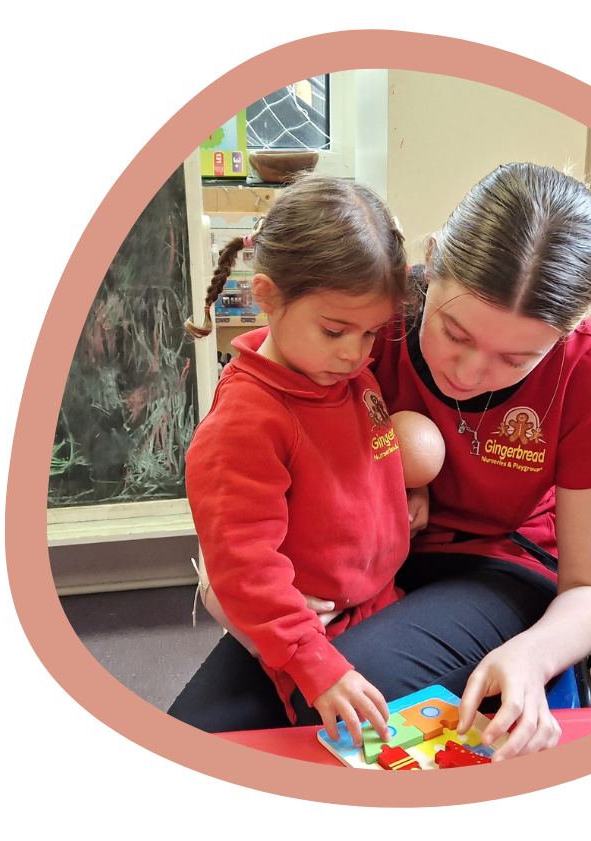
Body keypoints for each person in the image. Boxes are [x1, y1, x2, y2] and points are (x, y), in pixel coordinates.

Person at [169, 162, 591, 763]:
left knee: (358, 701)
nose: (470, 373)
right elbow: (254, 451)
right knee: (203, 734)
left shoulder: (589, 369)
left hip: (495, 570)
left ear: (566, 333)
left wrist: (533, 655)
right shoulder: (370, 318)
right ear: (426, 271)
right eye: (454, 332)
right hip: (357, 568)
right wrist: (228, 576)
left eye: (516, 359)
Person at [177, 173, 414, 747]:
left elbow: (367, 460)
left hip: (381, 601)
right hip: (305, 631)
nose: (357, 352)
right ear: (267, 297)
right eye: (336, 331)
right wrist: (313, 662)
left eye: (372, 332)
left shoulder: (342, 372)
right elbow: (243, 562)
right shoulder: (247, 420)